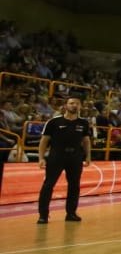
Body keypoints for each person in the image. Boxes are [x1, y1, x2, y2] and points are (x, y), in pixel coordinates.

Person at [37, 96, 92, 224]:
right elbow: (44, 141)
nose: (74, 105)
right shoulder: (54, 122)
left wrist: (88, 156)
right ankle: (43, 215)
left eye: (77, 103)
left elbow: (86, 141)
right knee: (48, 185)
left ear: (80, 106)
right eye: (72, 103)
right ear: (66, 106)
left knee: (74, 186)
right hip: (56, 156)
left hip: (75, 157)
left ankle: (71, 213)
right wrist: (41, 158)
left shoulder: (83, 123)